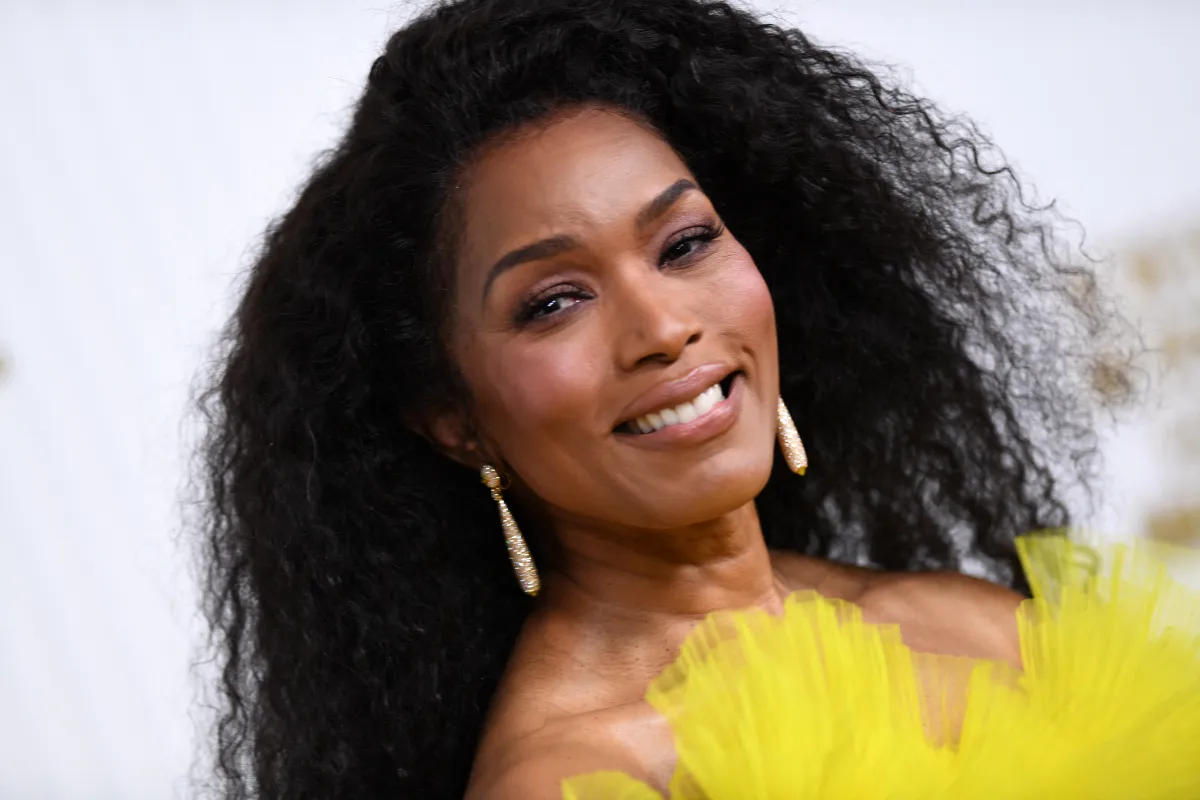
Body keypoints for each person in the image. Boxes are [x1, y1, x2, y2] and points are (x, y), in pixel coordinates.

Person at [192, 0, 1129, 797]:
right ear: (458, 422)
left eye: (684, 245)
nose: (663, 328)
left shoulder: (973, 621)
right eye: (553, 302)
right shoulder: (581, 775)